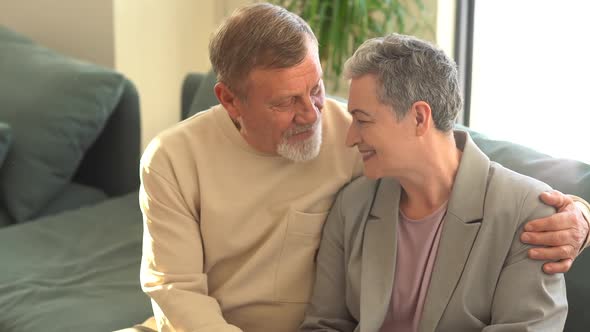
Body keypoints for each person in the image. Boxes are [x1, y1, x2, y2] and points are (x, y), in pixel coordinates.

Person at [129, 3, 589, 332]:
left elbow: (448, 154)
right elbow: (176, 290)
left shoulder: (355, 137)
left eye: (315, 89)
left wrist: (578, 212)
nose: (314, 116)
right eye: (286, 102)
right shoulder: (172, 159)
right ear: (230, 100)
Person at [300, 33, 568, 332]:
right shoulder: (352, 206)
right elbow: (323, 325)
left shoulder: (529, 214)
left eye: (362, 120)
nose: (351, 138)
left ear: (418, 118)